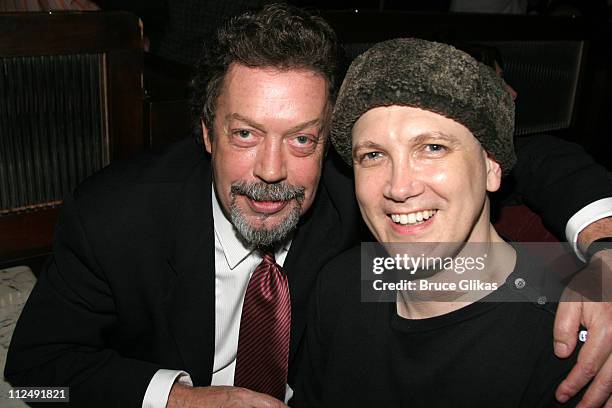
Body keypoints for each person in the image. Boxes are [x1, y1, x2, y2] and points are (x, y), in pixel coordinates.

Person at [4, 4, 612, 408]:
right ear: (207, 134)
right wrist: (176, 399)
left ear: (331, 147)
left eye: (302, 138)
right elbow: (36, 382)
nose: (272, 171)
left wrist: (604, 253)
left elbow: (527, 165)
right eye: (245, 134)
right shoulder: (117, 217)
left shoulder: (377, 195)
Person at [292, 37, 611, 407]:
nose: (399, 187)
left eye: (432, 148)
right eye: (374, 155)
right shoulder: (341, 286)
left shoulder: (569, 336)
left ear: (492, 167)